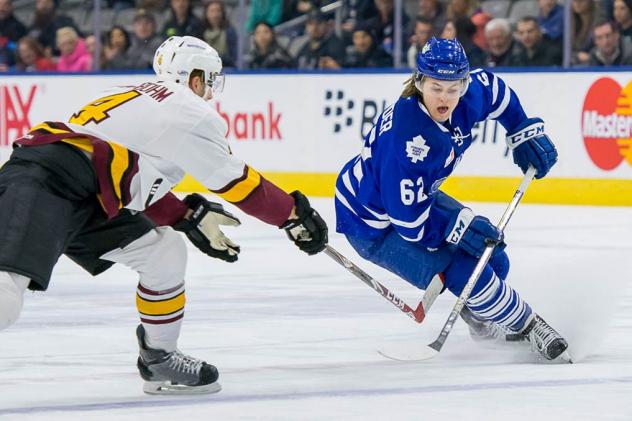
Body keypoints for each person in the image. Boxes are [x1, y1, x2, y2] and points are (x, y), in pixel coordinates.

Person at [0, 35, 328, 395]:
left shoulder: (139, 94)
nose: (210, 92)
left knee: (162, 250)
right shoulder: (187, 109)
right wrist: (293, 215)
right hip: (45, 184)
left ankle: (159, 358)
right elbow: (239, 184)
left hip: (86, 194)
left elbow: (125, 179)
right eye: (209, 80)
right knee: (6, 295)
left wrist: (185, 215)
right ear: (194, 78)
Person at [334, 37, 568, 362]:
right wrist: (460, 228)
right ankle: (527, 327)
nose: (444, 97)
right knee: (463, 270)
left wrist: (521, 130)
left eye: (452, 87)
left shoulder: (468, 95)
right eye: (435, 87)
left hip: (414, 201)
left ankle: (478, 316)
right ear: (419, 82)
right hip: (372, 223)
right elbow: (409, 223)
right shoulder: (411, 141)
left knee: (493, 259)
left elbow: (495, 90)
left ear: (463, 83)